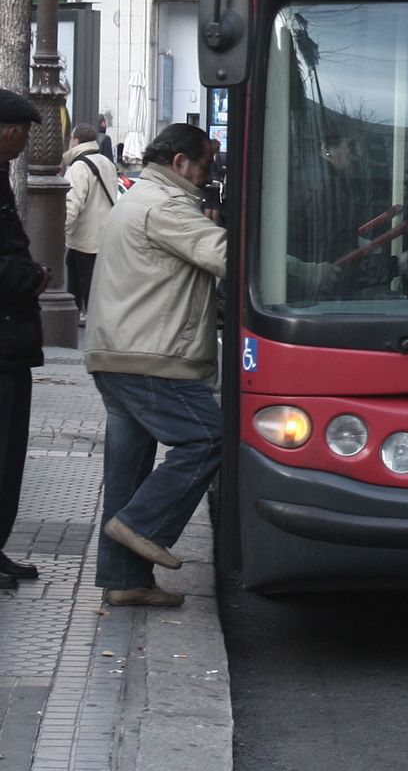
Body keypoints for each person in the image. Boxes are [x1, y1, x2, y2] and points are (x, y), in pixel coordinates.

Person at [85, 123, 226, 608]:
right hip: (150, 355)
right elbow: (228, 256)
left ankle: (125, 581)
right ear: (180, 163)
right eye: (206, 165)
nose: (209, 176)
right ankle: (143, 525)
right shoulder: (166, 206)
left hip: (117, 351)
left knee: (127, 470)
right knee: (208, 435)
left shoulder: (141, 197)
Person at [0, 90, 46, 592]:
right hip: (3, 335)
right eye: (23, 131)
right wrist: (29, 275)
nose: (25, 141)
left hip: (10, 339)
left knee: (10, 451)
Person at [63, 122, 119, 327]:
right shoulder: (106, 162)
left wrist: (63, 228)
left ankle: (83, 315)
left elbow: (73, 202)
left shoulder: (78, 166)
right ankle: (88, 313)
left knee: (81, 277)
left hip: (84, 235)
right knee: (93, 278)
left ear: (76, 140)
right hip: (104, 232)